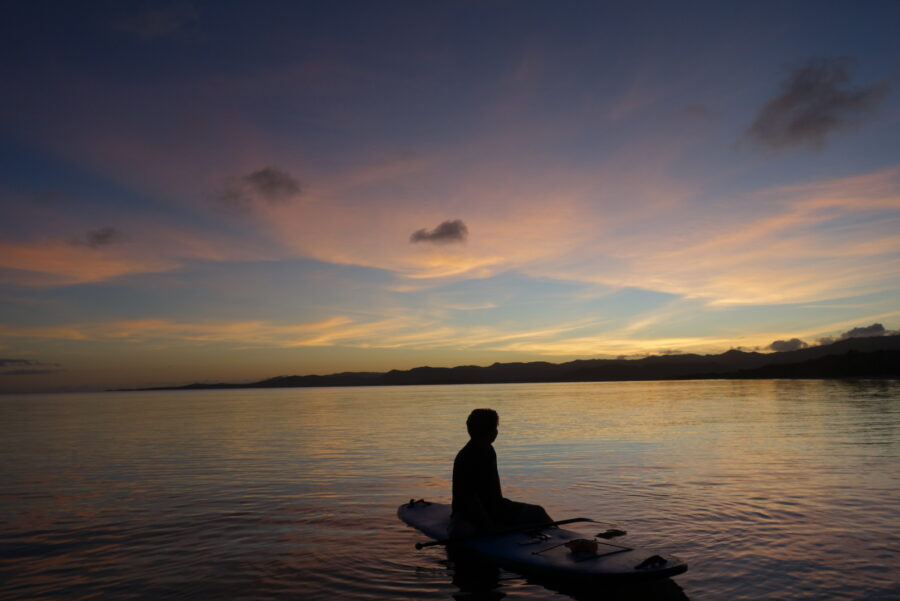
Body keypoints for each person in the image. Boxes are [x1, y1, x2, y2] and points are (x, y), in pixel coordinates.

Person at [449, 408, 553, 538]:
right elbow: (469, 497)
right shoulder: (470, 455)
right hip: (470, 514)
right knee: (464, 532)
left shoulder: (487, 450)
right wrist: (488, 525)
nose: (497, 431)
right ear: (490, 431)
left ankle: (559, 539)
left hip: (495, 508)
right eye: (495, 427)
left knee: (538, 512)